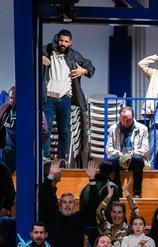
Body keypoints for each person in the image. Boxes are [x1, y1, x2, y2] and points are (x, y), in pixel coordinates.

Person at [41, 29, 94, 165]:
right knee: (45, 130)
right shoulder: (46, 50)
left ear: (70, 42)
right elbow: (30, 54)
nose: (63, 44)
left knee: (64, 131)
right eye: (61, 40)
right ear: (57, 39)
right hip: (48, 98)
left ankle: (62, 158)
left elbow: (91, 67)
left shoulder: (74, 55)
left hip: (65, 98)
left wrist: (83, 71)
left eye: (66, 41)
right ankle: (45, 158)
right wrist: (39, 57)